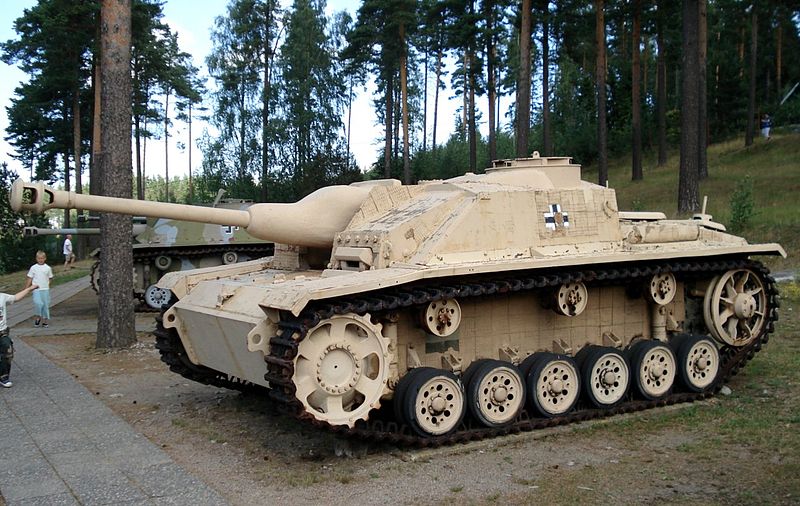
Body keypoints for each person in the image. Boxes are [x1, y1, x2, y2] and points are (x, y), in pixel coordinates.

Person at [0, 284, 38, 387]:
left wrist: (29, 289)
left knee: (8, 353)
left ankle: (4, 377)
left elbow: (16, 297)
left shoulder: (2, 296)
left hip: (2, 332)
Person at [26, 250, 54, 327]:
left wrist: (47, 284)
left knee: (45, 305)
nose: (40, 260)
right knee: (38, 303)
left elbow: (50, 278)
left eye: (42, 258)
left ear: (45, 258)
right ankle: (38, 317)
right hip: (36, 289)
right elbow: (30, 278)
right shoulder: (33, 268)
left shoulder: (48, 268)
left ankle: (45, 320)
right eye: (39, 258)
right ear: (36, 259)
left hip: (45, 289)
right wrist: (27, 288)